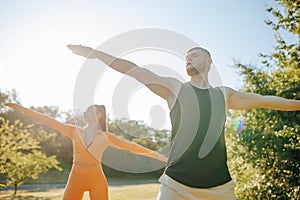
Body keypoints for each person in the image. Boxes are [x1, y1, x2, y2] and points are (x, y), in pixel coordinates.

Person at [67, 45, 300, 200]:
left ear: (209, 61)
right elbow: (133, 70)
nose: (188, 58)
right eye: (186, 57)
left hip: (220, 188)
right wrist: (96, 54)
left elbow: (266, 100)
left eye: (195, 54)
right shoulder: (174, 88)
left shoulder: (224, 94)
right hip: (176, 186)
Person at [5, 103, 167, 200]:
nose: (84, 112)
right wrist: (21, 109)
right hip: (75, 178)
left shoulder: (105, 137)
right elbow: (48, 120)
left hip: (97, 180)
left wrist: (159, 156)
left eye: (89, 110)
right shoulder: (75, 131)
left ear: (98, 114)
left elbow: (131, 147)